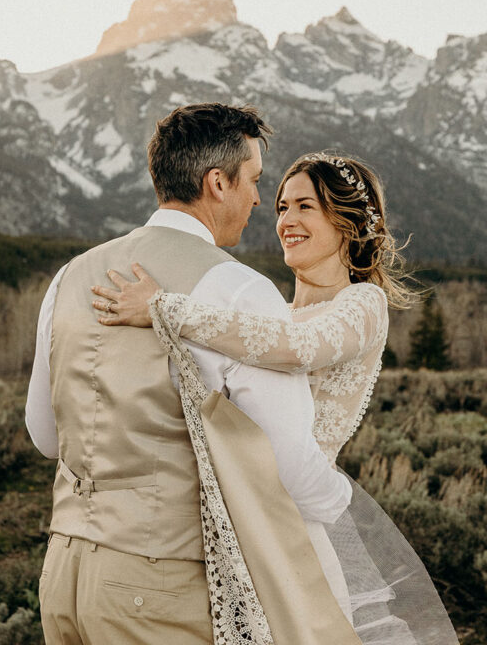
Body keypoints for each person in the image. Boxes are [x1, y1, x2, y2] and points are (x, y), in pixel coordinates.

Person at [24, 103, 358, 645]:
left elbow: (44, 436)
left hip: (65, 575)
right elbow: (288, 467)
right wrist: (340, 505)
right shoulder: (241, 291)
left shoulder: (67, 278)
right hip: (161, 584)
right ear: (217, 182)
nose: (257, 199)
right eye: (253, 180)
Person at [91, 152, 458, 644]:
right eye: (282, 207)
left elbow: (297, 348)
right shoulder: (269, 315)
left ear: (346, 221)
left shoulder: (362, 303)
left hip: (294, 529)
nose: (287, 220)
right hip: (229, 525)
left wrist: (165, 307)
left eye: (305, 206)